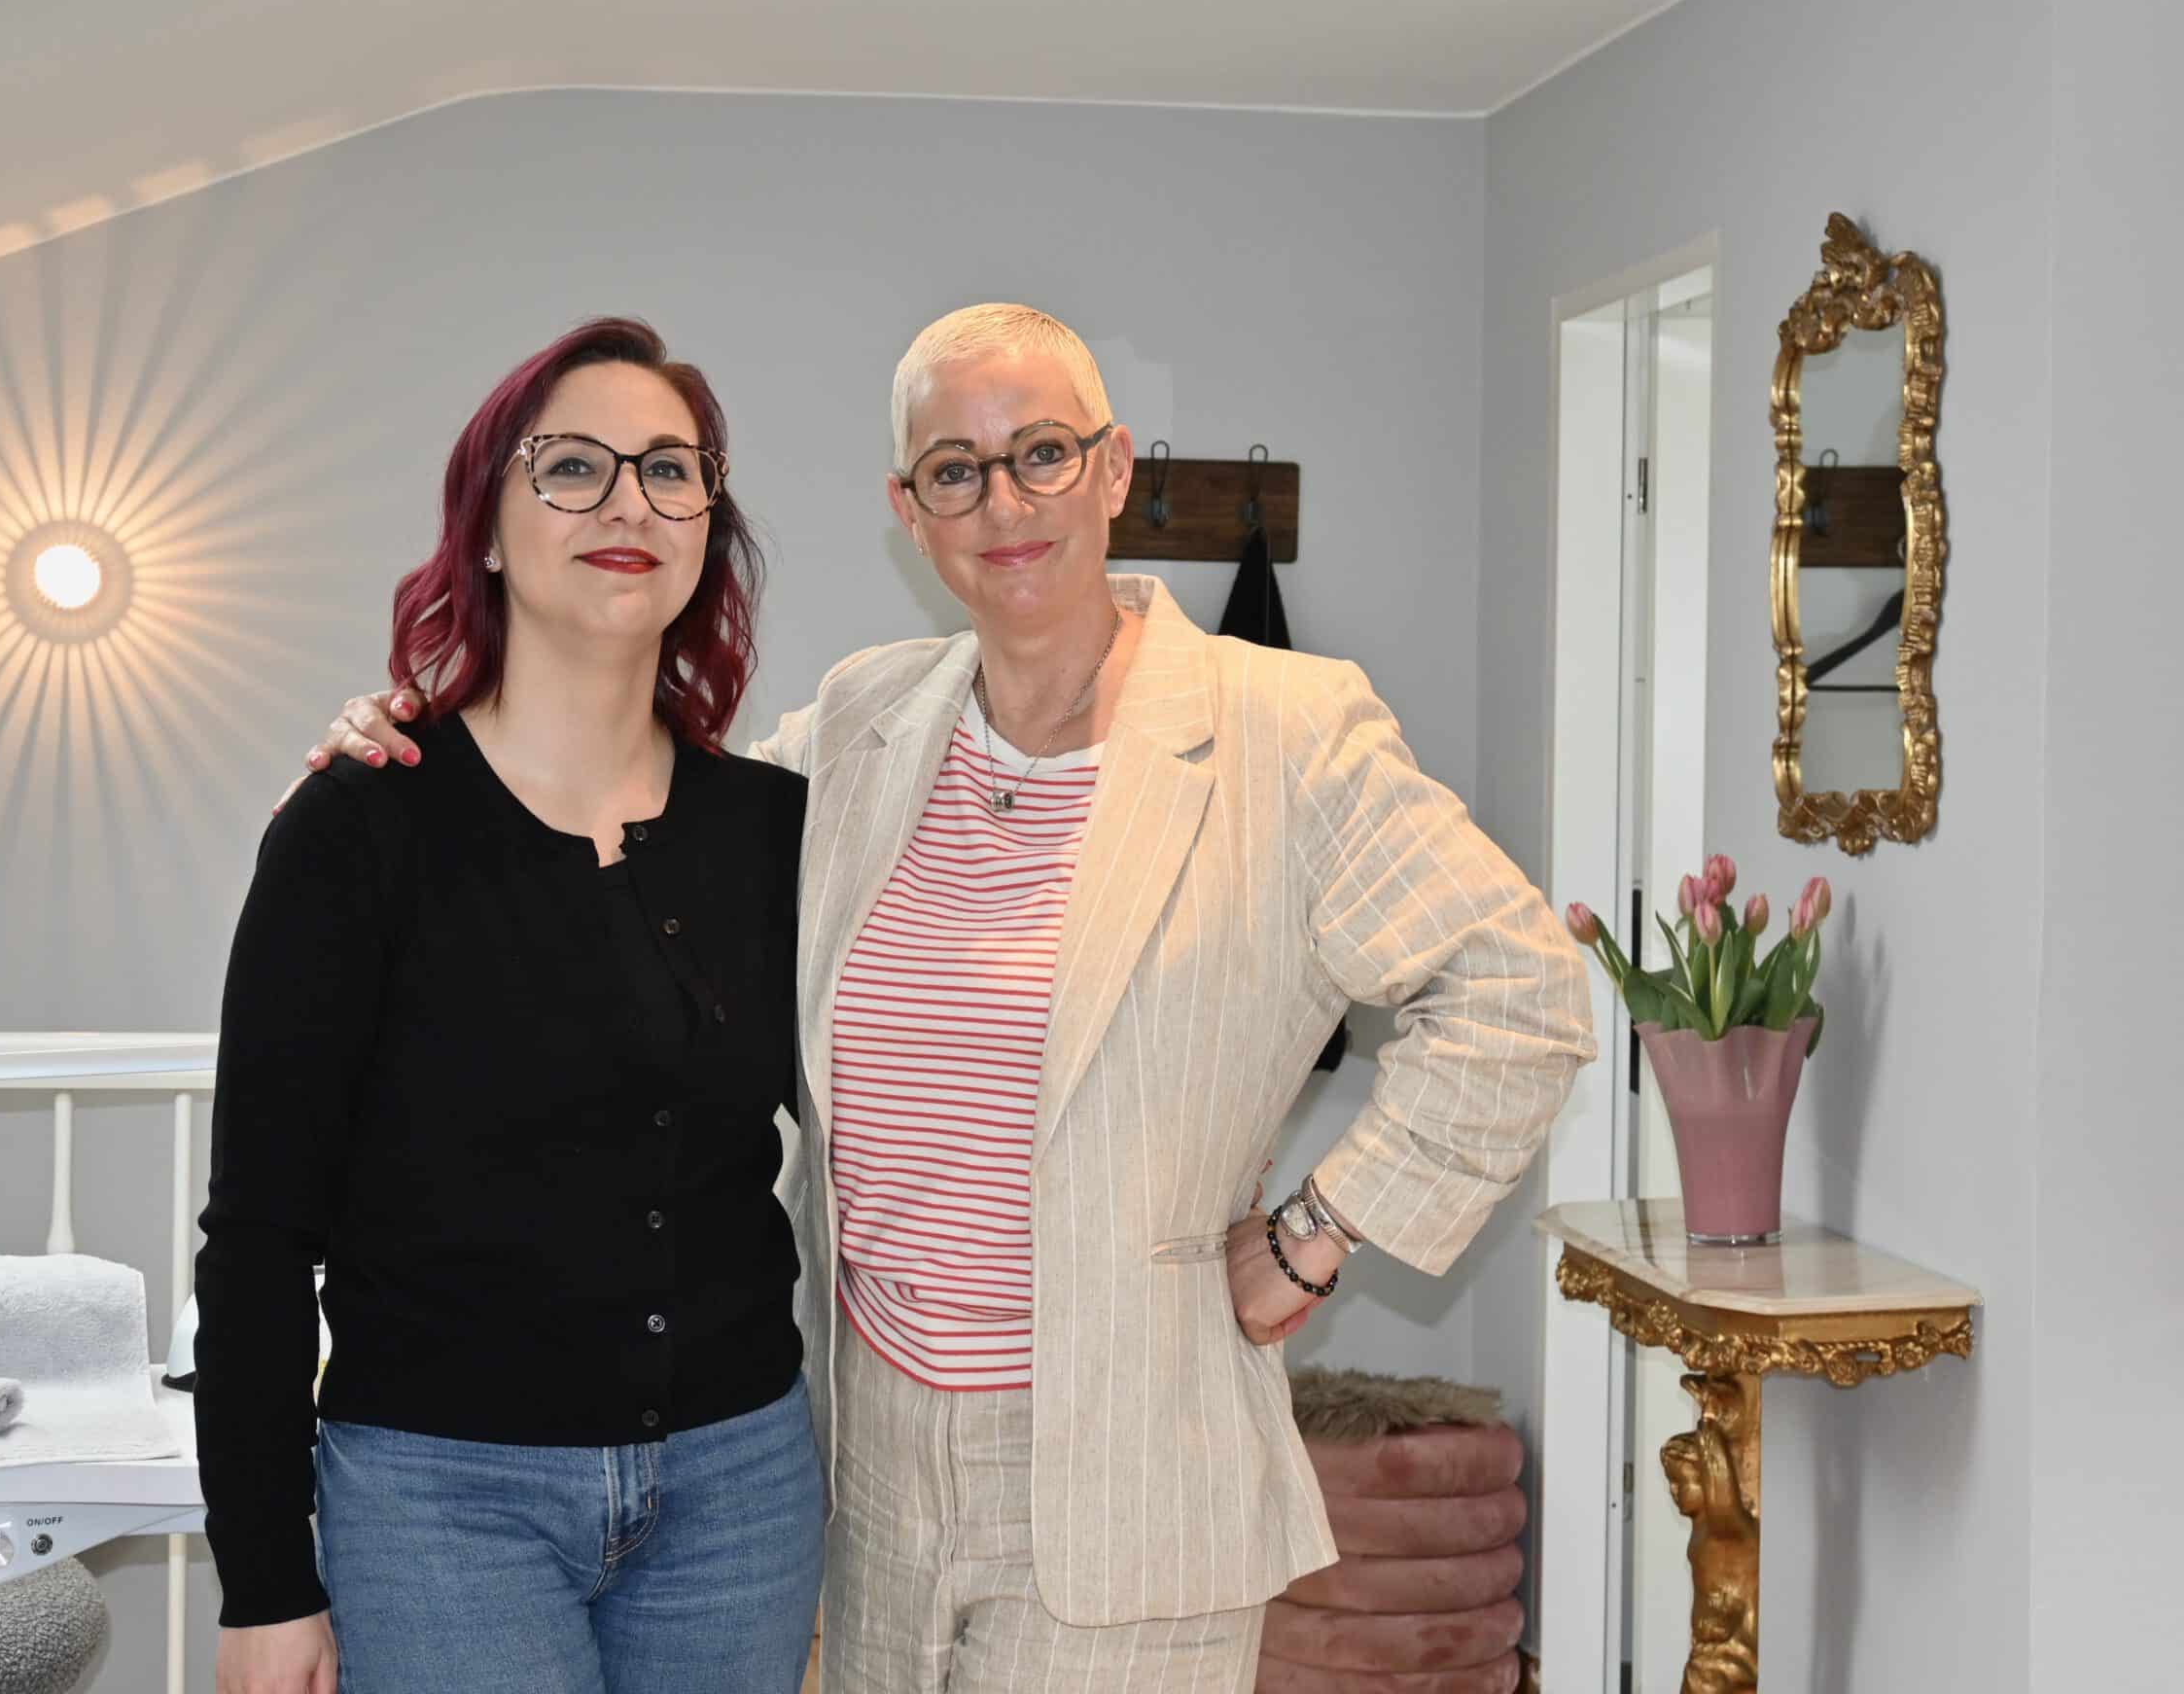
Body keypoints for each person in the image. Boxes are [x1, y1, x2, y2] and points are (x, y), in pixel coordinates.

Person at [299, 303, 1597, 1692]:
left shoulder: (1286, 733)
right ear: (907, 510)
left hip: (1124, 1461)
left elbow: (1520, 992)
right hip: (870, 1464)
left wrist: (1317, 1234)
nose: (1004, 504)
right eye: (955, 471)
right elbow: (628, 824)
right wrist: (398, 768)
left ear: (1113, 469)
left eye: (1042, 453)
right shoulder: (862, 726)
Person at [198, 318, 826, 1694]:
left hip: (742, 1493)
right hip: (441, 1502)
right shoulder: (360, 829)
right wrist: (264, 1580)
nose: (627, 504)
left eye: (670, 471)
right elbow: (256, 1239)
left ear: (707, 530)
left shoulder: (779, 831)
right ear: (485, 528)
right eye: (573, 467)